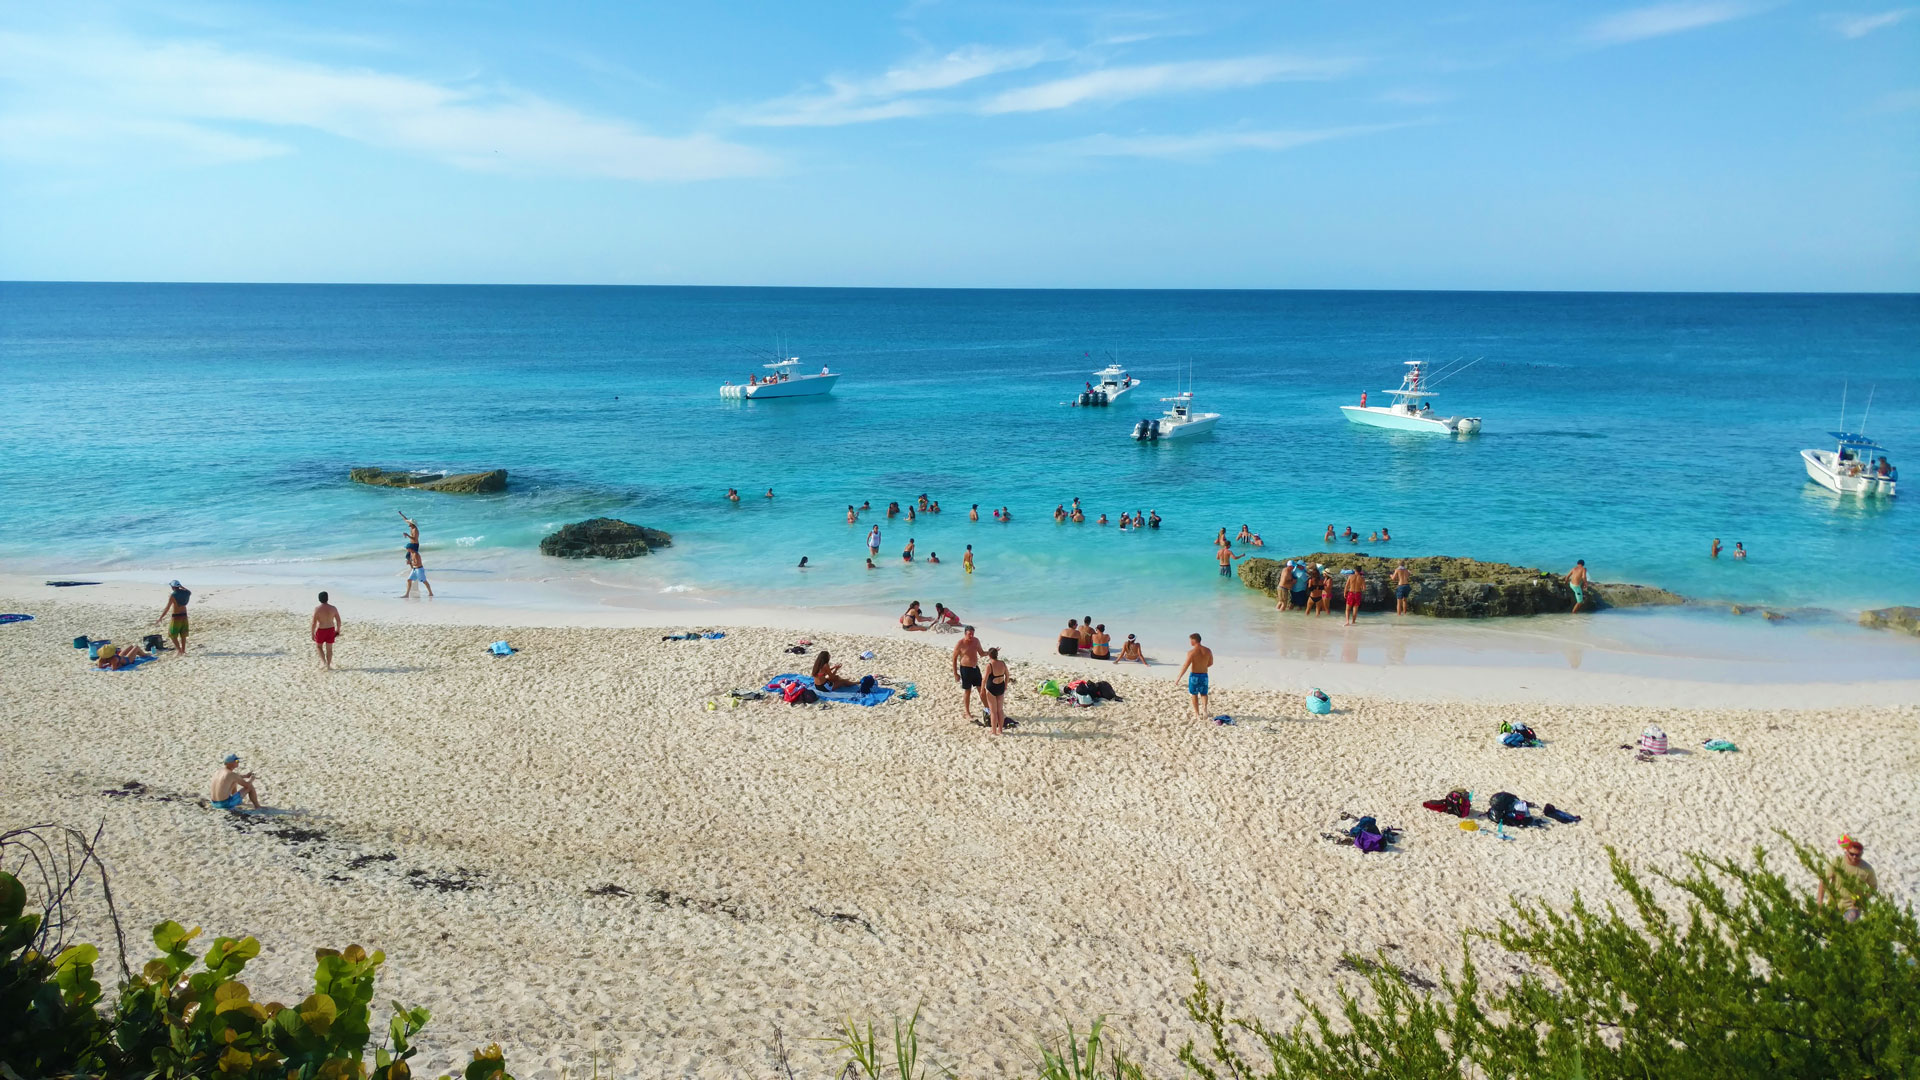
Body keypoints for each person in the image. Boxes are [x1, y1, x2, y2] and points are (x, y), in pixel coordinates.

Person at [1818, 835, 1879, 921]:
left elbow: (1873, 887)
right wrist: (1819, 903)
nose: (1854, 857)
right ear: (1846, 852)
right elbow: (1823, 881)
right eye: (1852, 854)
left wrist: (1863, 899)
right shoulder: (1837, 862)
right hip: (1834, 902)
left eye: (1857, 855)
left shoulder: (1867, 869)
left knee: (1848, 925)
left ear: (1861, 854)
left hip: (1853, 907)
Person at [1175, 633, 1214, 721]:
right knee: (1204, 693)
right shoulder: (1208, 650)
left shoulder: (1191, 652)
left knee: (1194, 694)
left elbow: (1186, 666)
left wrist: (1179, 677)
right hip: (1204, 675)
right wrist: (1203, 666)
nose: (1190, 642)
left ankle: (1197, 713)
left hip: (1194, 676)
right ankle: (1204, 710)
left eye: (1190, 640)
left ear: (1193, 640)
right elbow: (1211, 663)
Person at [952, 625, 983, 718]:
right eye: (970, 634)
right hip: (965, 669)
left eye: (973, 634)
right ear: (965, 634)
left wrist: (991, 652)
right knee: (967, 691)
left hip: (975, 668)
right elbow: (954, 658)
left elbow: (981, 653)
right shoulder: (960, 643)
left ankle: (988, 709)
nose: (971, 636)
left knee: (981, 690)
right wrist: (955, 673)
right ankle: (967, 712)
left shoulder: (976, 641)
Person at [156, 580, 191, 655]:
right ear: (179, 586)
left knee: (172, 634)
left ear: (172, 587)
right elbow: (189, 591)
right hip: (184, 615)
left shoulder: (173, 595)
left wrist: (161, 617)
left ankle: (179, 650)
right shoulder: (186, 593)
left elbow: (167, 608)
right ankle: (183, 650)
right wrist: (181, 586)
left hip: (176, 616)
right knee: (183, 634)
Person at [982, 647, 1010, 735]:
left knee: (993, 711)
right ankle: (1000, 730)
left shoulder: (989, 665)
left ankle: (993, 731)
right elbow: (1007, 675)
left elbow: (984, 679)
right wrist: (1005, 685)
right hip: (1001, 687)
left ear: (989, 655)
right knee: (1000, 710)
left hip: (991, 688)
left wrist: (982, 689)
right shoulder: (1002, 663)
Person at [311, 591, 341, 670]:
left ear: (319, 599)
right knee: (329, 649)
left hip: (321, 630)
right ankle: (328, 664)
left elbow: (314, 623)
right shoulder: (333, 608)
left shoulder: (317, 609)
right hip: (331, 629)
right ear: (327, 598)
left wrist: (312, 633)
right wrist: (338, 630)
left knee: (318, 646)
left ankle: (323, 662)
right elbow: (338, 620)